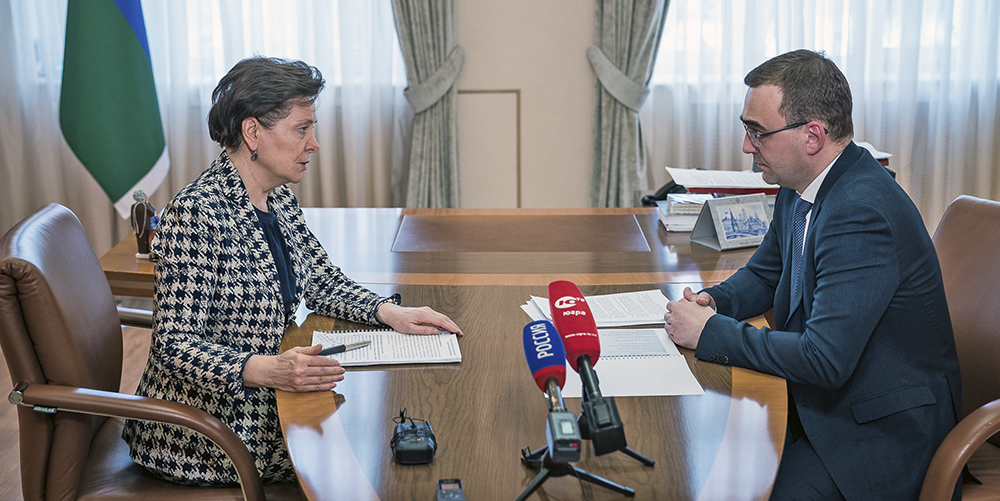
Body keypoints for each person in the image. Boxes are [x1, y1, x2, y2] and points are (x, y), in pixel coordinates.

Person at [123, 56, 463, 486]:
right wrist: (271, 370)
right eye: (302, 129)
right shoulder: (196, 213)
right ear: (252, 133)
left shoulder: (277, 196)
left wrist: (392, 313)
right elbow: (174, 346)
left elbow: (321, 280)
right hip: (207, 427)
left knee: (383, 438)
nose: (314, 144)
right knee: (368, 452)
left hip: (265, 401)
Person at [664, 50, 961, 500]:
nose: (747, 146)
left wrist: (710, 333)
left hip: (880, 433)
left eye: (758, 132)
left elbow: (824, 359)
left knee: (740, 487)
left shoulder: (860, 213)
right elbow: (766, 275)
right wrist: (713, 302)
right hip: (825, 401)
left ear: (813, 136)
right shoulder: (800, 185)